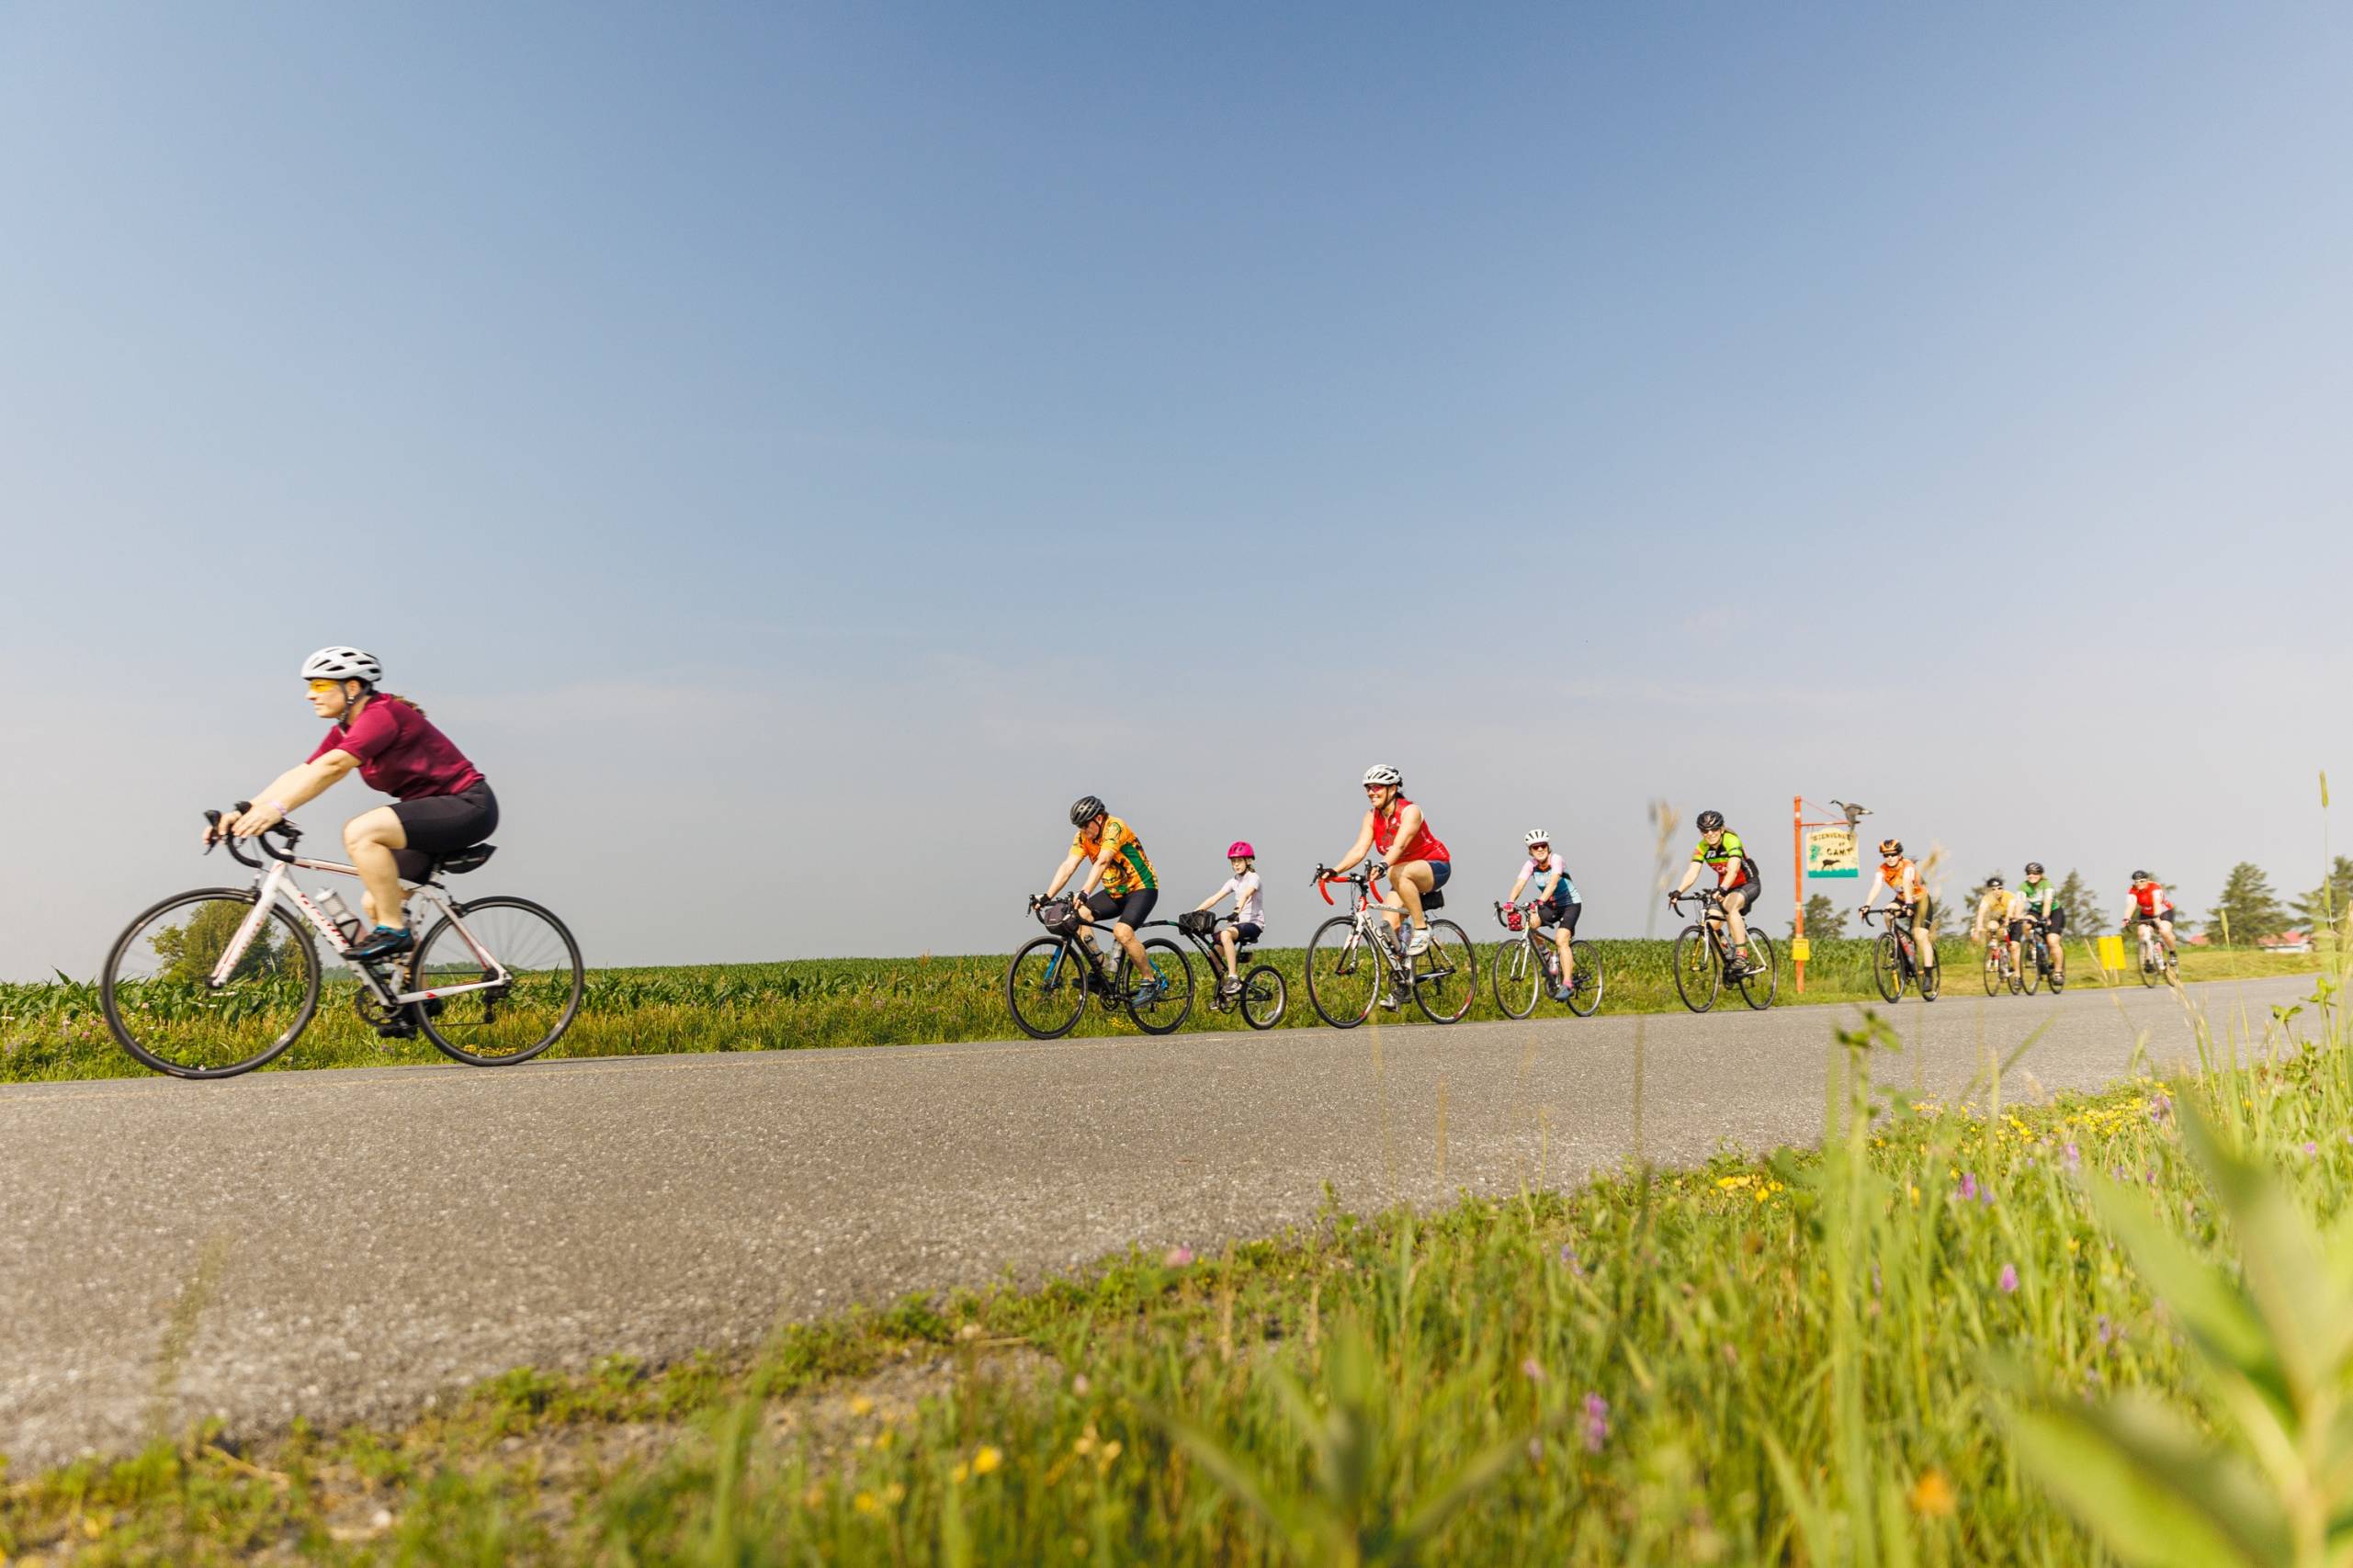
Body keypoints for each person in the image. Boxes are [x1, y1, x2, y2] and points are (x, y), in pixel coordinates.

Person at [212, 647, 495, 964]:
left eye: (319, 685)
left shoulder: (382, 715)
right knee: (376, 901)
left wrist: (276, 810)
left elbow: (335, 767)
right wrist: (246, 810)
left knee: (361, 832)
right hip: (430, 814)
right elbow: (305, 772)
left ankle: (395, 932)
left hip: (467, 804)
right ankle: (416, 1001)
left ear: (352, 687)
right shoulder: (346, 729)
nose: (309, 695)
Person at [1321, 764, 1452, 960]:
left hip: (1434, 865)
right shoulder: (1371, 817)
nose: (1371, 792)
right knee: (1388, 928)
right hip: (1402, 874)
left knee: (1395, 872)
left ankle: (1421, 928)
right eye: (1368, 788)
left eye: (1377, 787)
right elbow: (1359, 850)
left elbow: (1399, 846)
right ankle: (1405, 975)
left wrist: (1383, 866)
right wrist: (1335, 870)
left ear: (1393, 789)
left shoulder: (1410, 811)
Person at [1044, 796, 1161, 998]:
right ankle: (1100, 970)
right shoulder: (1082, 837)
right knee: (1077, 916)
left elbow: (1103, 861)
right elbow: (1068, 866)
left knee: (1122, 932)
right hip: (1114, 892)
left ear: (1098, 818)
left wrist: (1085, 891)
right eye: (1078, 826)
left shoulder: (1115, 827)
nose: (1082, 830)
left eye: (1085, 825)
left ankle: (1150, 982)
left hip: (1141, 888)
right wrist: (1047, 895)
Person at [1669, 810, 1762, 976]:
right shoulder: (1701, 847)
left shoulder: (1731, 840)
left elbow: (1733, 870)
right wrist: (1678, 891)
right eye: (1705, 831)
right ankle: (1729, 955)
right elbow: (1692, 872)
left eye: (1714, 829)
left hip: (1747, 883)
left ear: (1721, 829)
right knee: (1709, 925)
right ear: (1701, 832)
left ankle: (1742, 955)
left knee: (1730, 906)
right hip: (1724, 887)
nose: (1710, 834)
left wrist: (1723, 889)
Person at [1503, 829, 1582, 1002]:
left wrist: (1539, 901)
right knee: (1530, 924)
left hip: (1570, 904)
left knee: (1561, 940)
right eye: (1535, 847)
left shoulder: (1556, 860)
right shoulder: (1530, 865)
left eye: (1543, 846)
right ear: (1530, 850)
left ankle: (1568, 984)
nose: (1540, 849)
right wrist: (1510, 901)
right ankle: (1549, 958)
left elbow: (1553, 883)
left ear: (1548, 846)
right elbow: (1520, 883)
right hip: (1551, 905)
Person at [1856, 838, 1938, 977]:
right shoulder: (1883, 869)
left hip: (1920, 901)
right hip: (1902, 900)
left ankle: (1928, 975)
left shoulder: (1908, 866)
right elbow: (1877, 885)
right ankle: (1901, 944)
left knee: (1920, 935)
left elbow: (1907, 882)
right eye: (1886, 855)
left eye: (1893, 854)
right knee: (1888, 913)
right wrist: (1866, 905)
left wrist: (1909, 903)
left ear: (1899, 854)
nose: (1889, 858)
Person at [1193, 842, 1265, 998]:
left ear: (1249, 861)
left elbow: (1246, 895)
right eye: (1233, 861)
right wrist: (1194, 913)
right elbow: (1214, 898)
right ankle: (1224, 992)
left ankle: (1234, 978)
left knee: (1225, 934)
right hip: (1238, 925)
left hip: (1253, 924)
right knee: (1213, 953)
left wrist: (1236, 911)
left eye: (1239, 860)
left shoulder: (1254, 878)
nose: (1235, 864)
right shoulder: (1233, 881)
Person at [2019, 862, 2065, 987]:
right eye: (2029, 873)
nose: (2032, 875)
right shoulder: (2024, 886)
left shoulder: (2047, 885)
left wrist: (2045, 917)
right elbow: (2020, 904)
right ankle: (2031, 947)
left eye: (2035, 873)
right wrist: (2017, 916)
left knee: (2052, 941)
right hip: (2036, 911)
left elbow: (2047, 903)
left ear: (2041, 875)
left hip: (2054, 912)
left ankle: (2058, 972)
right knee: (2026, 924)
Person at [1972, 874, 2026, 975]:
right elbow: (1981, 913)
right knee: (1991, 926)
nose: (1997, 891)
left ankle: (2017, 974)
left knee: (2013, 947)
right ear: (1989, 891)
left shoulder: (2009, 896)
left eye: (2000, 888)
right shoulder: (1987, 899)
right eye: (1993, 889)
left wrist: (2008, 919)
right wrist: (1978, 928)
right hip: (2000, 920)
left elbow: (2010, 911)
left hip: (2014, 921)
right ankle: (1994, 952)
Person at [2125, 871, 2181, 967]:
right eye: (2136, 881)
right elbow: (2131, 904)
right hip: (2146, 913)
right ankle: (2148, 961)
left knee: (2164, 931)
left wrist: (2156, 917)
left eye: (2142, 881)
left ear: (2147, 880)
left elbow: (2157, 903)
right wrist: (2126, 918)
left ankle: (2172, 953)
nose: (2139, 884)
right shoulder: (2133, 890)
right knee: (2142, 933)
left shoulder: (2154, 887)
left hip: (2163, 912)